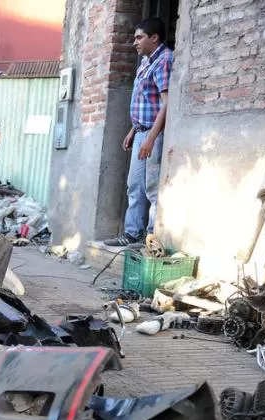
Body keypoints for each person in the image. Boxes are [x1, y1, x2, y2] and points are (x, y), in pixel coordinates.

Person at [103, 17, 173, 247]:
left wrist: (151, 138)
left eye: (139, 37)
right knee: (135, 186)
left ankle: (152, 238)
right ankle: (132, 233)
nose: (135, 42)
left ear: (155, 38)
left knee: (152, 188)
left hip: (155, 134)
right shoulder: (145, 61)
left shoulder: (163, 60)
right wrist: (133, 130)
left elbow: (166, 104)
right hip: (142, 132)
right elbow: (145, 100)